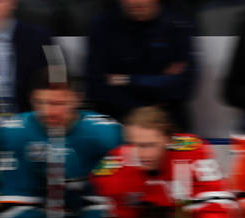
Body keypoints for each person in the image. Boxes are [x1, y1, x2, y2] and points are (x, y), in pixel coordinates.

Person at [0, 68, 122, 218]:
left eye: (58, 103)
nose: (49, 112)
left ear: (77, 99)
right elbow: (12, 201)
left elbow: (112, 199)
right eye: (41, 103)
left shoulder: (105, 134)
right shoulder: (14, 133)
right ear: (31, 99)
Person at [90, 106, 239, 218]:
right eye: (134, 145)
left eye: (149, 145)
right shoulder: (115, 170)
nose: (141, 154)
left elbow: (214, 200)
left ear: (168, 139)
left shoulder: (190, 153)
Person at [84, 0, 197, 131]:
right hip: (117, 119)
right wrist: (158, 82)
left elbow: (184, 85)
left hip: (167, 118)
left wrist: (126, 79)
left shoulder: (178, 24)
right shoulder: (102, 26)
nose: (135, 2)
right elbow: (97, 85)